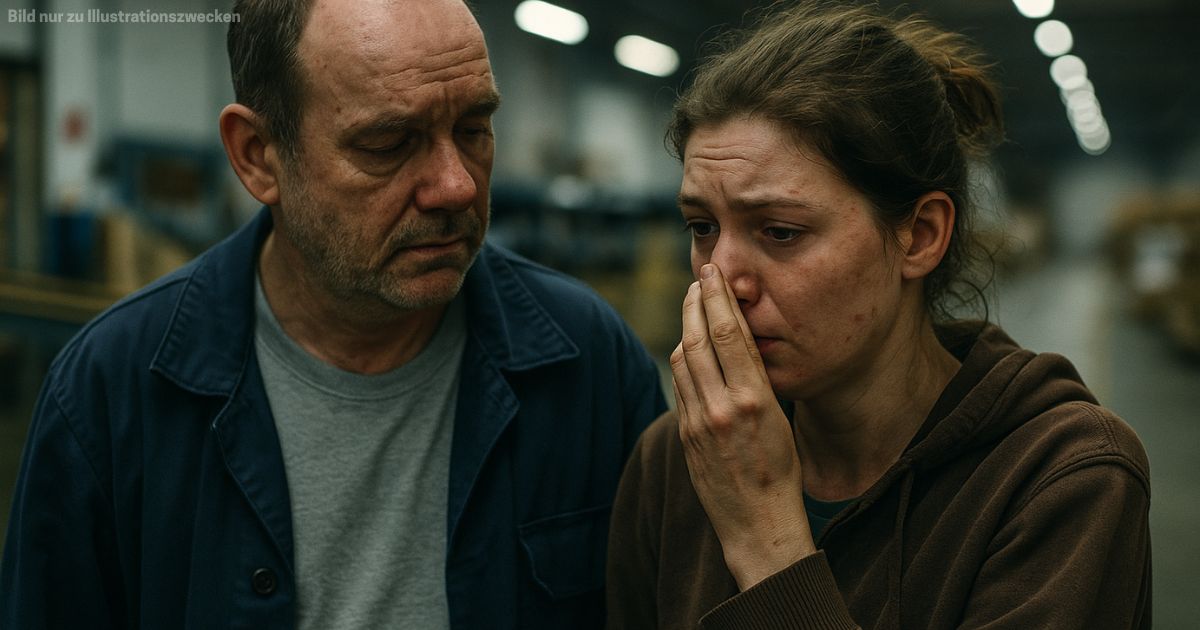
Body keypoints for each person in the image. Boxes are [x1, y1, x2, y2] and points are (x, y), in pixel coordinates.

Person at [0, 0, 666, 628]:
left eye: (473, 129)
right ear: (257, 156)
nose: (456, 185)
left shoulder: (590, 367)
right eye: (388, 143)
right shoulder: (109, 397)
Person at [605, 3, 1151, 629]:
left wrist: (764, 536)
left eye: (780, 231)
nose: (721, 280)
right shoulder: (677, 459)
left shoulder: (1063, 479)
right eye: (702, 227)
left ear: (921, 236)